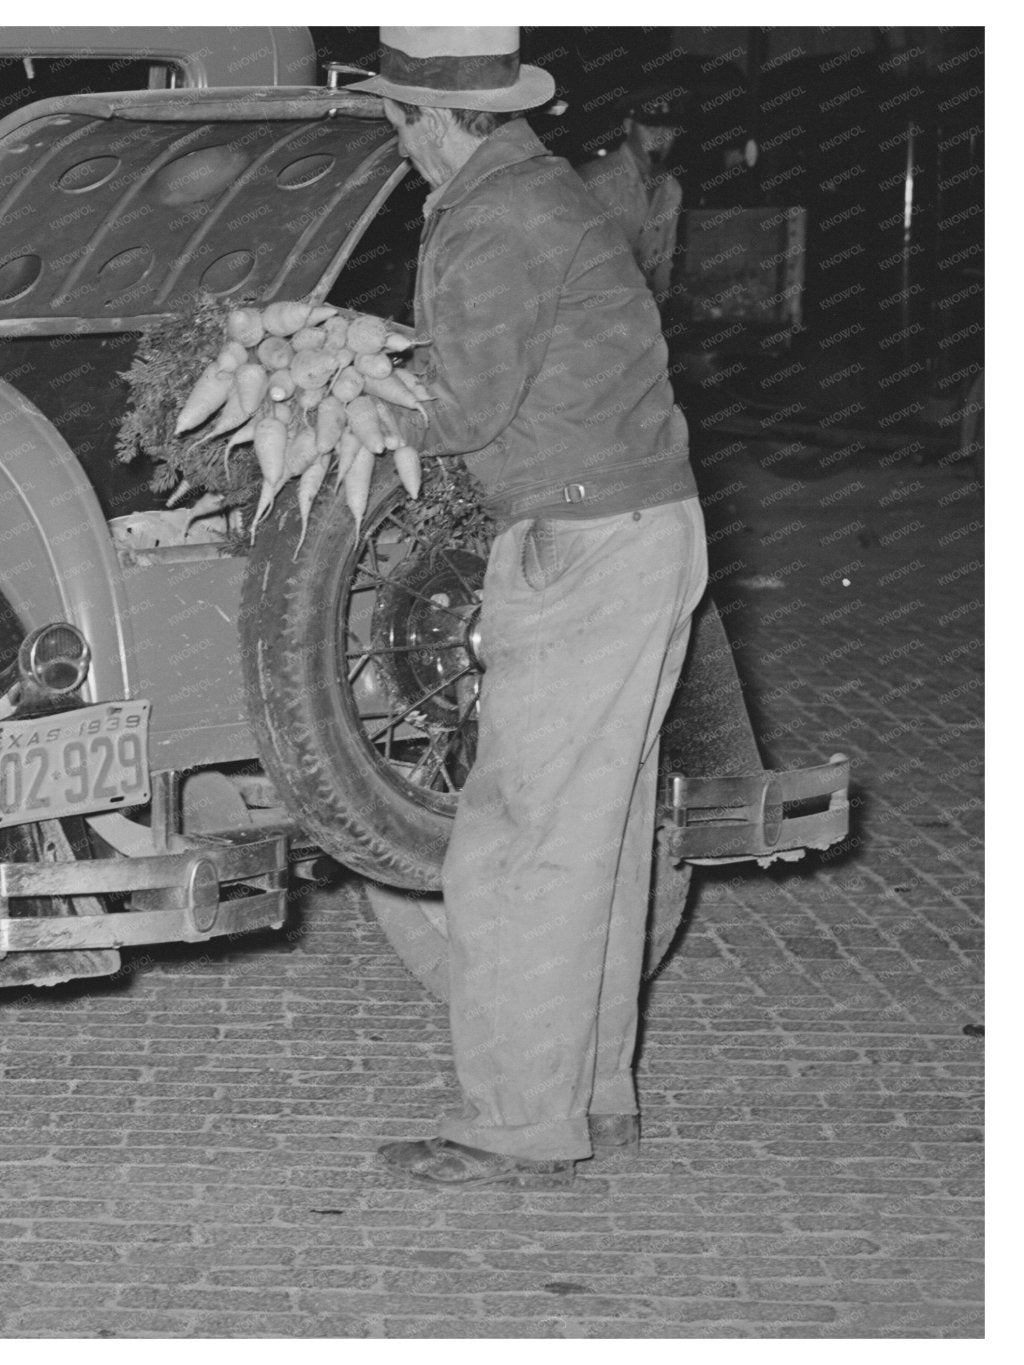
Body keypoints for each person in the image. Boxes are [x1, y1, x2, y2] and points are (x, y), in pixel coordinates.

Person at [346, 27, 708, 1187]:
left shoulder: (495, 218)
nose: (401, 147)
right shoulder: (536, 190)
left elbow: (462, 405)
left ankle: (515, 1124)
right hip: (640, 528)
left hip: (580, 542)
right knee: (587, 839)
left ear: (437, 117)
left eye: (401, 122)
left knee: (515, 845)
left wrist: (328, 408)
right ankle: (589, 1101)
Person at [577, 85, 692, 300]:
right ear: (628, 126)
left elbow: (663, 268)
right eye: (651, 128)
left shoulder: (670, 189)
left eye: (668, 129)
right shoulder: (596, 181)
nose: (661, 137)